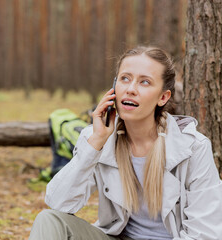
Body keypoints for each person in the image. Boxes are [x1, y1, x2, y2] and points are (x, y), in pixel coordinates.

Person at [29, 46, 222, 240]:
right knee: (49, 219)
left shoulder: (193, 148)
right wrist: (95, 143)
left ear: (163, 97)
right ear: (114, 87)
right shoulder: (98, 139)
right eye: (125, 79)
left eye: (144, 82)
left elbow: (204, 234)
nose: (130, 89)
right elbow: (59, 203)